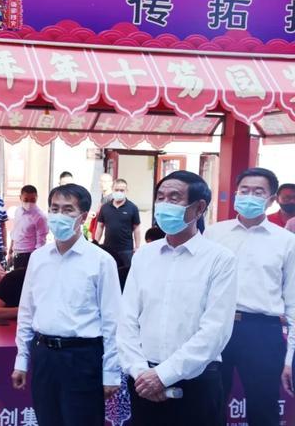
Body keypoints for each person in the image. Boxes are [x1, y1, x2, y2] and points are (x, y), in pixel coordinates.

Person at [118, 170, 237, 426]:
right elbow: (127, 320)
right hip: (143, 381)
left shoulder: (220, 259)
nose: (164, 204)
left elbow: (215, 331)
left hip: (196, 383)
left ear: (199, 208)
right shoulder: (144, 256)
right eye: (160, 197)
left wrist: (163, 375)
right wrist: (141, 372)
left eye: (174, 198)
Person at [12, 184, 122, 426]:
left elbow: (113, 321)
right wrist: (22, 359)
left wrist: (111, 372)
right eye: (54, 209)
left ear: (83, 217)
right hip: (44, 355)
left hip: (82, 358)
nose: (59, 215)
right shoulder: (38, 258)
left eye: (68, 210)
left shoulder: (101, 261)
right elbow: (27, 312)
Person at [204, 167, 295, 426]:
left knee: (263, 407)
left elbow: (292, 301)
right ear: (235, 194)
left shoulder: (286, 241)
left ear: (271, 199)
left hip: (262, 331)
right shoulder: (214, 234)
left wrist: (290, 356)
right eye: (244, 190)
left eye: (258, 192)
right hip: (216, 327)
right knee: (210, 404)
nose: (249, 196)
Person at [95, 178, 141, 268]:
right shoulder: (105, 207)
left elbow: (137, 228)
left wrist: (137, 246)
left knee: (125, 273)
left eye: (122, 190)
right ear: (112, 190)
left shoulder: (132, 208)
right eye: (116, 190)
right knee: (108, 271)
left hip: (126, 249)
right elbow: (100, 226)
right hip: (108, 248)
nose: (119, 192)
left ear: (126, 191)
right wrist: (96, 243)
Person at [7, 185, 48, 270]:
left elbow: (41, 243)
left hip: (29, 255)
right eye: (26, 200)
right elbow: (15, 232)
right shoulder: (18, 211)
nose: (29, 203)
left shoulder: (40, 217)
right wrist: (10, 251)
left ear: (37, 198)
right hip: (17, 254)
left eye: (33, 200)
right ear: (20, 198)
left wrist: (35, 260)